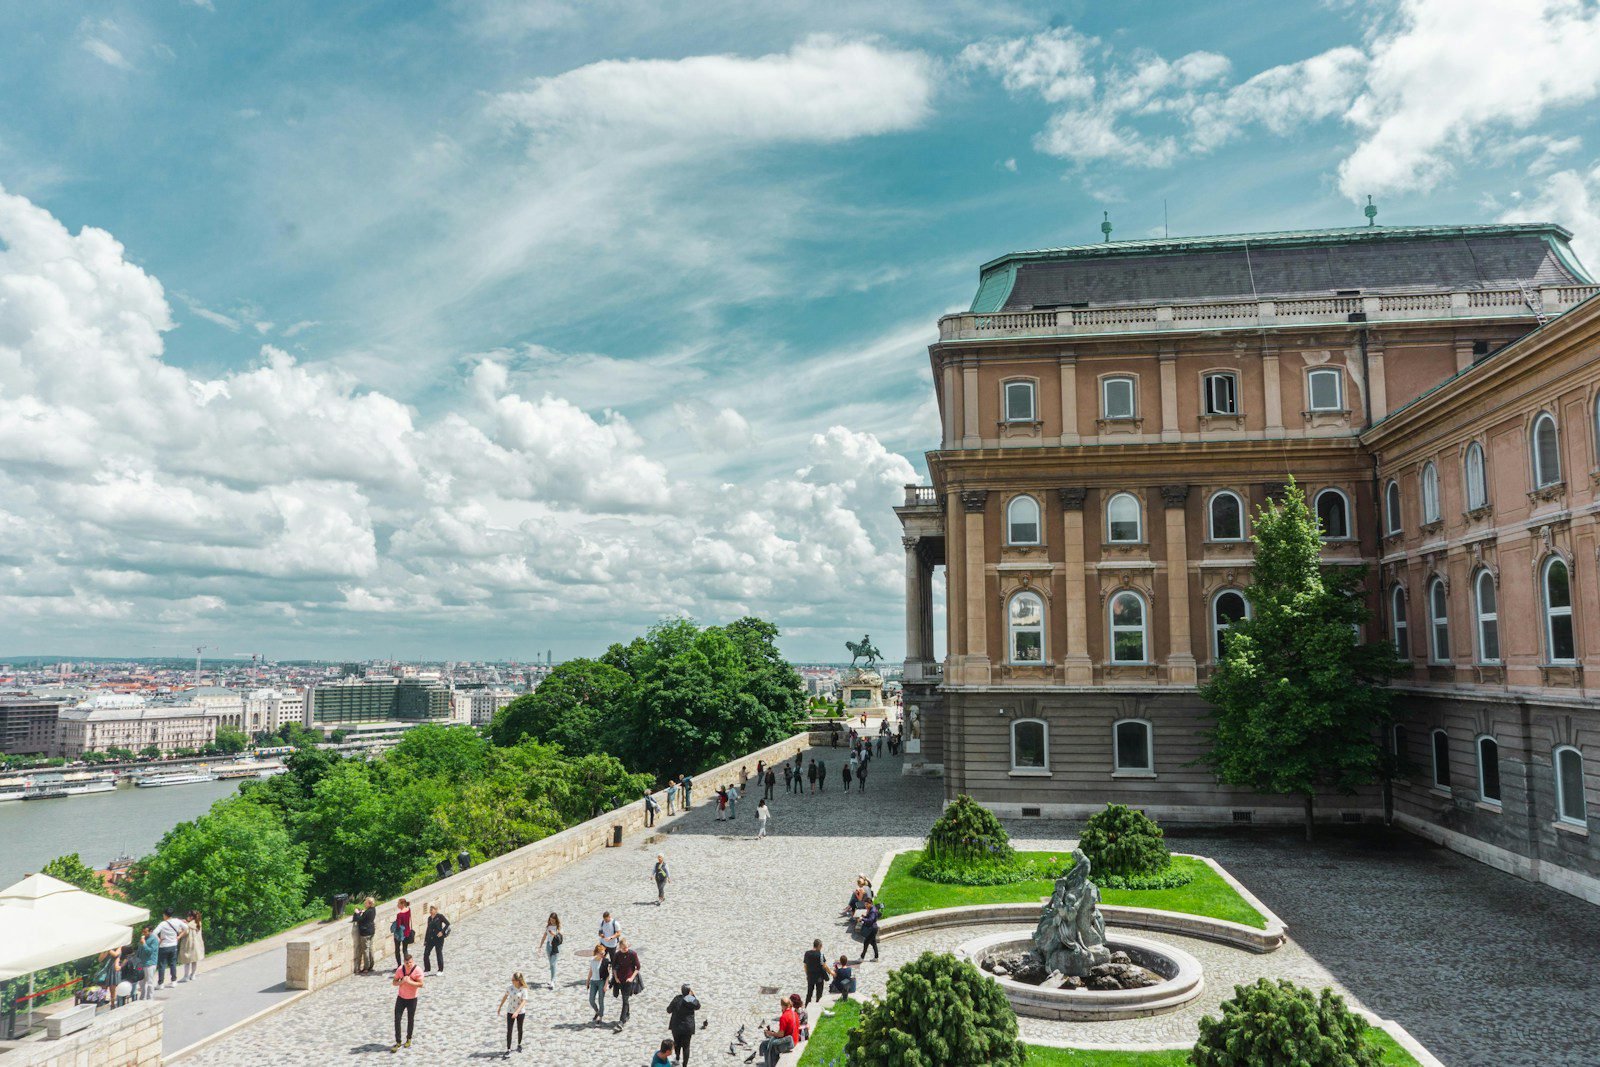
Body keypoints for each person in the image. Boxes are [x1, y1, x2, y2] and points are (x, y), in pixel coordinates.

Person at [391, 947, 423, 1051]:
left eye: (410, 962)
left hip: (412, 999)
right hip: (401, 998)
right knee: (397, 1019)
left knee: (410, 1019)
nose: (409, 964)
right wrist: (402, 982)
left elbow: (421, 984)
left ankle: (409, 1038)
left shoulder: (417, 970)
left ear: (412, 961)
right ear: (404, 963)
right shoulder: (400, 969)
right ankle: (398, 1041)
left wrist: (410, 982)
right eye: (407, 963)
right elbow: (394, 982)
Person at [756, 995, 801, 1067]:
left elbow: (781, 1034)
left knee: (766, 1044)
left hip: (788, 1043)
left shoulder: (784, 1017)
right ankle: (772, 1062)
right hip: (794, 1039)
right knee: (770, 1042)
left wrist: (771, 1033)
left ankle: (770, 1064)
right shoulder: (794, 1013)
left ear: (782, 1005)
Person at [666, 983, 700, 1065]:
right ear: (689, 991)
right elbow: (698, 1006)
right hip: (687, 1027)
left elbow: (668, 1010)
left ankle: (677, 1058)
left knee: (677, 1043)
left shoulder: (677, 999)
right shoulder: (691, 999)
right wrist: (693, 995)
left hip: (676, 1026)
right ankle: (685, 1065)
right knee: (686, 1047)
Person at [610, 937, 640, 1029]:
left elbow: (638, 967)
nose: (625, 949)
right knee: (625, 999)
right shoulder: (617, 955)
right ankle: (627, 1014)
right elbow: (614, 967)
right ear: (620, 947)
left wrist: (631, 978)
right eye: (623, 948)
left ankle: (621, 1021)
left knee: (625, 1000)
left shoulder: (633, 954)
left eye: (626, 947)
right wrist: (615, 978)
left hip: (628, 980)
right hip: (620, 980)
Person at [154, 908, 186, 988]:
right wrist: (179, 937)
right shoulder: (177, 921)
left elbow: (154, 933)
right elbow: (186, 928)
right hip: (173, 945)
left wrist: (159, 940)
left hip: (164, 946)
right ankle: (173, 981)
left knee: (162, 965)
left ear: (165, 915)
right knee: (173, 964)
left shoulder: (162, 923)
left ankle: (160, 983)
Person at [497, 971, 528, 1055]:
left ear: (518, 980)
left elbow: (524, 1001)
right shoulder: (509, 988)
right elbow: (505, 996)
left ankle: (519, 1044)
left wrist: (517, 1012)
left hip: (520, 1012)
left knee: (520, 1028)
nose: (511, 981)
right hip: (510, 1011)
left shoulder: (523, 989)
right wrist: (500, 1006)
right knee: (509, 1030)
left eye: (513, 979)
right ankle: (508, 1049)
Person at [422, 904, 450, 974]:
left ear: (435, 910)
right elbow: (428, 929)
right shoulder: (429, 918)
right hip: (430, 939)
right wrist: (425, 940)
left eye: (432, 909)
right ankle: (427, 969)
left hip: (439, 939)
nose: (430, 911)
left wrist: (442, 932)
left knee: (438, 953)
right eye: (430, 910)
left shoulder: (440, 916)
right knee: (426, 954)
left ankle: (440, 970)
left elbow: (447, 924)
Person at [178, 910, 205, 982]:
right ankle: (193, 975)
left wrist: (182, 924)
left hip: (189, 944)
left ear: (191, 917)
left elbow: (183, 933)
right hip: (197, 944)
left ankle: (186, 976)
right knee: (194, 960)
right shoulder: (198, 923)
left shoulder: (187, 925)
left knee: (187, 961)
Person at [353, 897, 377, 974]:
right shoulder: (373, 909)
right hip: (371, 931)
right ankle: (371, 965)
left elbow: (360, 919)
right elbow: (366, 917)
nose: (364, 903)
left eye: (366, 902)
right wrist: (363, 912)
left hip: (365, 932)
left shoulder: (368, 911)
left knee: (366, 950)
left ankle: (366, 967)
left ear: (369, 903)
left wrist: (357, 913)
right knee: (370, 948)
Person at [802, 939, 830, 1005]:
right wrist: (831, 972)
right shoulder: (820, 955)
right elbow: (825, 966)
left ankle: (807, 1007)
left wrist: (807, 975)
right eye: (821, 946)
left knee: (809, 994)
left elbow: (805, 966)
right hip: (819, 978)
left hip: (810, 977)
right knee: (819, 994)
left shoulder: (807, 953)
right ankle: (818, 1006)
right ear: (819, 946)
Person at [538, 912, 562, 989]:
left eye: (553, 920)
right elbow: (544, 936)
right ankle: (552, 979)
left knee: (553, 964)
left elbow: (560, 936)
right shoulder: (548, 927)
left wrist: (553, 934)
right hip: (548, 946)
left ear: (556, 920)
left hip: (556, 947)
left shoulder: (558, 926)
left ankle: (552, 981)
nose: (552, 921)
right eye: (551, 920)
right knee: (551, 964)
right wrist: (540, 946)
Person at [587, 942, 610, 1022]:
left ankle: (600, 1017)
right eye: (601, 953)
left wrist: (606, 985)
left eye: (603, 953)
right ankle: (597, 1011)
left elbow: (608, 974)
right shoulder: (592, 961)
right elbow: (591, 971)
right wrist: (588, 981)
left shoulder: (605, 961)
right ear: (597, 953)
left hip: (601, 982)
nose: (603, 955)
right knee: (591, 1000)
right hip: (593, 982)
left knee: (601, 1000)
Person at [137, 924, 159, 1000]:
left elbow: (150, 952)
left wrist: (144, 943)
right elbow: (139, 951)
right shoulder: (143, 938)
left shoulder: (154, 939)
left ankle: (150, 997)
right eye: (143, 932)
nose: (144, 933)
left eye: (146, 932)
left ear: (151, 931)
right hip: (141, 964)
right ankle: (142, 996)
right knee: (141, 982)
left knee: (149, 981)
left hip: (149, 963)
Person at [392, 899, 413, 965]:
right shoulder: (409, 910)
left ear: (402, 904)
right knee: (405, 949)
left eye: (398, 904)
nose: (397, 905)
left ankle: (399, 965)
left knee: (397, 950)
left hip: (400, 934)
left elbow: (398, 925)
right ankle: (407, 964)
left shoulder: (400, 914)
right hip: (407, 932)